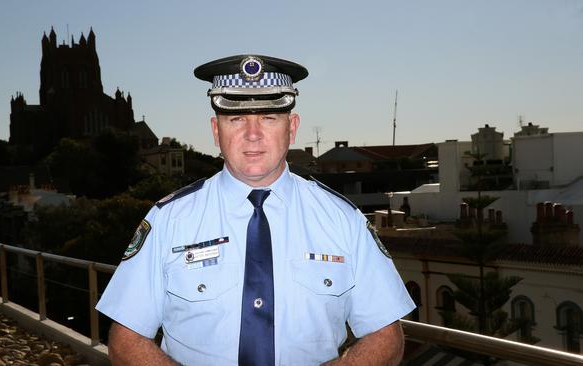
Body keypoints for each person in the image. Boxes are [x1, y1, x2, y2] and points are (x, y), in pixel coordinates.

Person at [96, 54, 416, 365]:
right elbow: (125, 338)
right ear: (215, 131)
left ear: (291, 128)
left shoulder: (343, 220)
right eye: (236, 119)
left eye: (268, 117)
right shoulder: (168, 220)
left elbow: (387, 335)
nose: (252, 134)